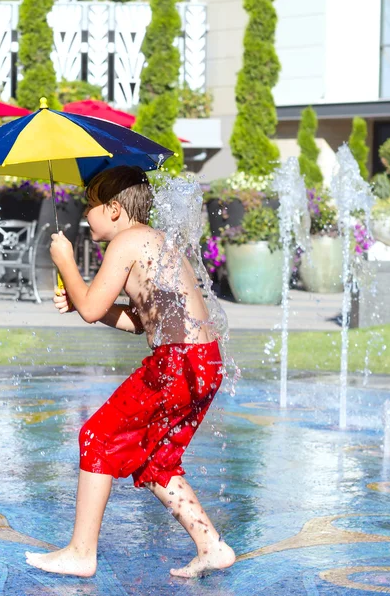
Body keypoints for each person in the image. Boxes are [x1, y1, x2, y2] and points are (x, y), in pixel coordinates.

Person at [25, 165, 235, 579]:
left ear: (115, 209)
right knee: (156, 459)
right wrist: (84, 300)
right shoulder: (156, 241)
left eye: (91, 206)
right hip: (204, 361)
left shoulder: (125, 242)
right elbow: (137, 322)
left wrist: (66, 262)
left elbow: (89, 309)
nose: (87, 216)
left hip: (176, 362)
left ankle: (81, 552)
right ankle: (210, 544)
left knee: (97, 436)